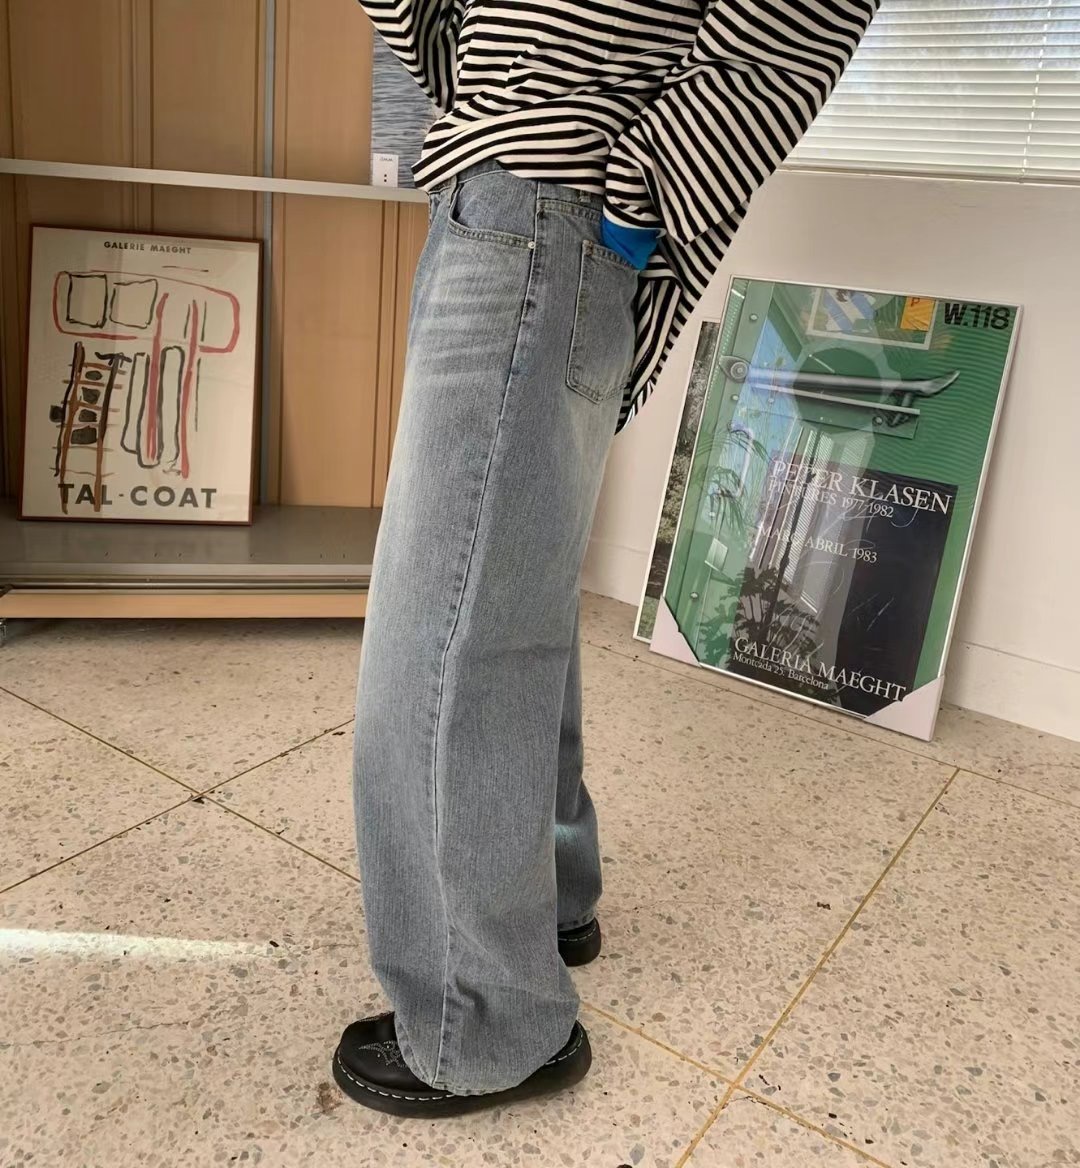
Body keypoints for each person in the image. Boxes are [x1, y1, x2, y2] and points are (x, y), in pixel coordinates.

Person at [333, 0, 879, 1118]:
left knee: (440, 636)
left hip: (550, 203)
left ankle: (485, 1022)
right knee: (501, 595)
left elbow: (801, 18)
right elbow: (464, 38)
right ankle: (546, 895)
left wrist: (637, 191)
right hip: (510, 194)